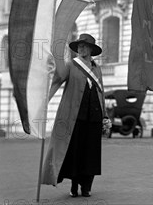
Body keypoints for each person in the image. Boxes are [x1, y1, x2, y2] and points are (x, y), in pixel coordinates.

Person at [42, 34, 110, 197]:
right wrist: (44, 102)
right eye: (79, 46)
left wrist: (105, 116)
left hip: (94, 117)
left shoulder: (97, 68)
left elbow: (101, 93)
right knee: (76, 152)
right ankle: (74, 186)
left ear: (91, 50)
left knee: (91, 154)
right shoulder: (71, 65)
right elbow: (57, 80)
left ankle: (86, 187)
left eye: (85, 46)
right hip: (75, 118)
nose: (81, 48)